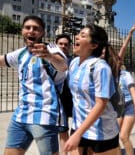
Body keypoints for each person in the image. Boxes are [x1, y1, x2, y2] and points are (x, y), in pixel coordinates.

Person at [0, 15, 68, 155]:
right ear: (22, 31)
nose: (31, 31)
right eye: (27, 27)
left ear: (43, 33)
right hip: (20, 116)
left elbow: (62, 66)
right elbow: (2, 60)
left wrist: (48, 56)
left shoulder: (52, 49)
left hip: (44, 115)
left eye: (36, 28)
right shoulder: (21, 54)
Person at [63, 24, 120, 155]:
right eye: (78, 34)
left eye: (83, 35)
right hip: (78, 127)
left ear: (93, 45)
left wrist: (78, 134)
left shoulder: (100, 67)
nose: (76, 37)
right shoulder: (73, 63)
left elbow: (101, 104)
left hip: (102, 132)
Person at [117, 23, 135, 155]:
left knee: (123, 136)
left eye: (119, 60)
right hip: (117, 108)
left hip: (129, 106)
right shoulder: (107, 73)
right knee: (114, 137)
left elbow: (132, 89)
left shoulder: (125, 74)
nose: (117, 61)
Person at [56, 33, 74, 155]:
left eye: (66, 44)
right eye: (60, 44)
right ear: (56, 45)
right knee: (62, 130)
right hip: (58, 99)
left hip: (73, 99)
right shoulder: (49, 60)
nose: (63, 46)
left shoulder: (74, 61)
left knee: (78, 129)